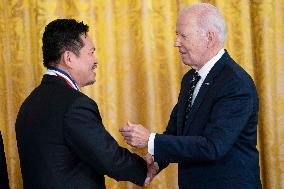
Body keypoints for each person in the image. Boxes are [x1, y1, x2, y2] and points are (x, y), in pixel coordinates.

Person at [120, 3, 262, 189]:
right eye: (176, 35)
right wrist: (156, 162)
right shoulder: (190, 78)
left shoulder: (235, 83)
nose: (176, 42)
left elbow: (213, 147)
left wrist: (150, 140)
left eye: (183, 35)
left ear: (209, 38)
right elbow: (176, 132)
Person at [15, 19, 155, 189]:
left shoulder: (29, 103)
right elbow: (108, 158)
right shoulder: (74, 105)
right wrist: (146, 169)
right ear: (68, 58)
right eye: (91, 52)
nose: (96, 61)